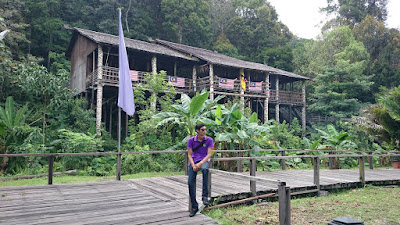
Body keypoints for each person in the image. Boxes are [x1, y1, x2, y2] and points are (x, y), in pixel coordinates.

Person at [187, 123, 213, 217]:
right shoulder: (191, 140)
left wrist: (200, 164)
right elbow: (189, 154)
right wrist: (193, 165)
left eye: (205, 129)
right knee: (190, 182)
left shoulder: (209, 140)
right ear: (197, 131)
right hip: (193, 161)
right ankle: (194, 206)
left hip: (203, 160)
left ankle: (204, 196)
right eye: (202, 129)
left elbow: (209, 154)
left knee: (205, 170)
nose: (204, 131)